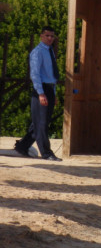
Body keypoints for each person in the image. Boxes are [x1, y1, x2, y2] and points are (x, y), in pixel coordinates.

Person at [15, 26, 62, 161]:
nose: (50, 38)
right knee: (42, 123)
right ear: (41, 36)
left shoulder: (50, 51)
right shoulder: (37, 52)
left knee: (40, 121)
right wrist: (41, 93)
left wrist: (53, 94)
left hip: (50, 88)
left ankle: (23, 146)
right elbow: (35, 74)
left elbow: (51, 75)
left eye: (52, 36)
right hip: (41, 88)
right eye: (47, 36)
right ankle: (46, 153)